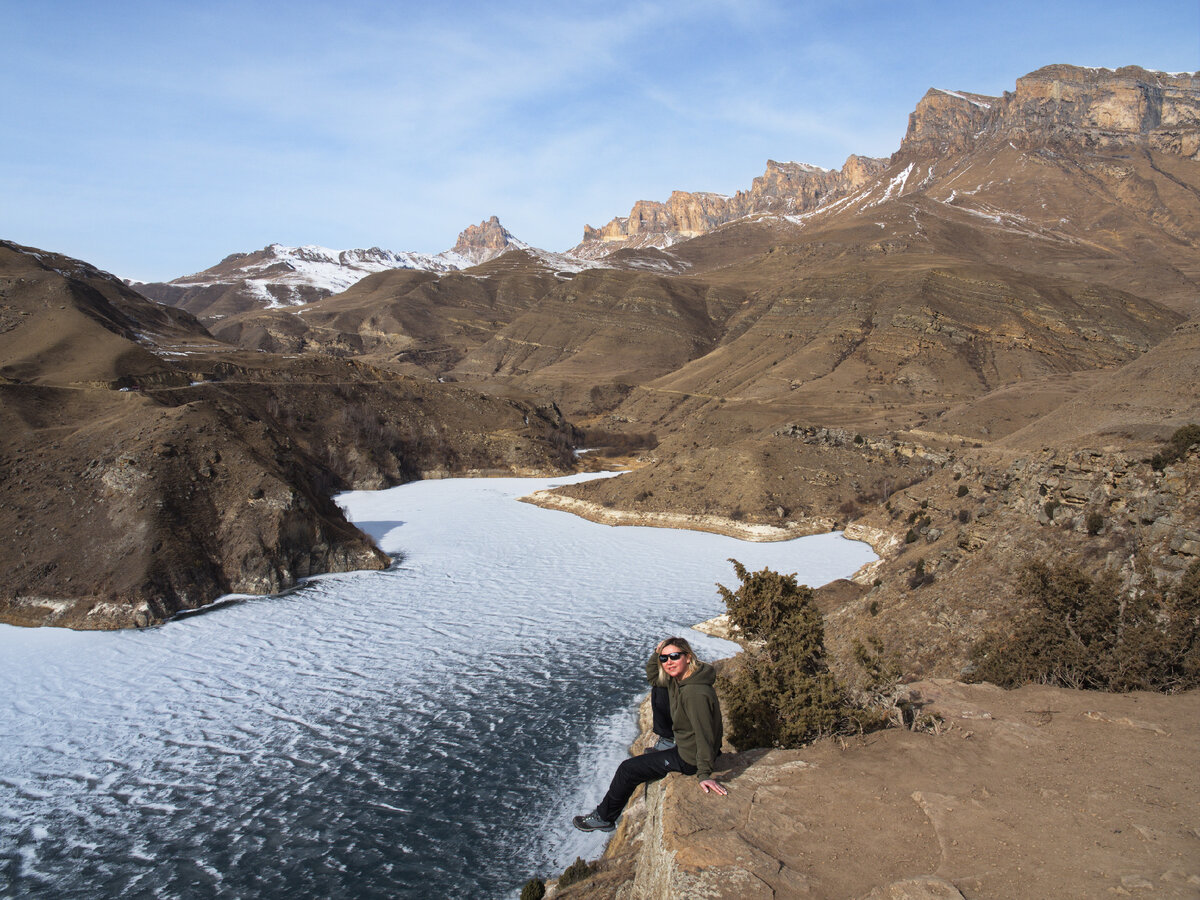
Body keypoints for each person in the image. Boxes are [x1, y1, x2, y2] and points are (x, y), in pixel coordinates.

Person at [573, 637, 727, 833]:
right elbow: (654, 677)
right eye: (664, 659)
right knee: (659, 690)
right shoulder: (684, 679)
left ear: (688, 657)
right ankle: (667, 739)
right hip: (684, 744)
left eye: (674, 656)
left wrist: (704, 773)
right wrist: (657, 654)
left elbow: (704, 734)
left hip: (689, 758)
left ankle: (604, 817)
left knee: (628, 769)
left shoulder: (694, 693)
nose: (668, 662)